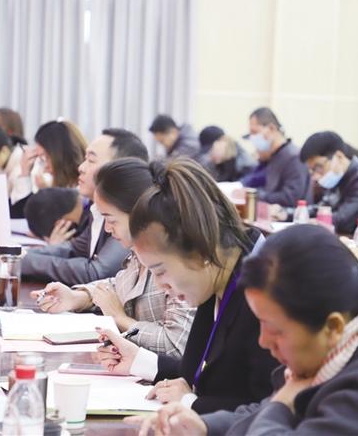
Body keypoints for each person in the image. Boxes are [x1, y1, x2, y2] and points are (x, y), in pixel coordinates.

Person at [126, 225, 358, 436]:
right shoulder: (340, 354)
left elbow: (277, 413)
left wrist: (282, 401)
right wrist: (203, 425)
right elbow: (264, 412)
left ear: (332, 326)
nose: (263, 341)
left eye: (274, 328)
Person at [96, 158, 278, 414]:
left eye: (161, 271)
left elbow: (269, 408)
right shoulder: (214, 277)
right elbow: (201, 374)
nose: (161, 284)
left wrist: (191, 403)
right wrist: (139, 361)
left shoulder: (262, 297)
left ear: (199, 250)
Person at [29, 158, 196, 357]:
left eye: (111, 220)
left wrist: (120, 319)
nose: (107, 229)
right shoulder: (139, 253)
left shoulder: (178, 260)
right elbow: (117, 286)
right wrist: (76, 298)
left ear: (138, 213)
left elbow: (177, 345)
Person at [21, 128, 147, 285]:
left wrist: (25, 262)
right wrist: (18, 254)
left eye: (91, 161)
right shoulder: (97, 210)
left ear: (121, 169)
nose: (81, 167)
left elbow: (97, 272)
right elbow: (73, 249)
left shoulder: (132, 213)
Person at [292, 131, 358, 233]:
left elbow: (343, 219)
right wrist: (289, 213)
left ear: (339, 156)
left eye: (318, 167)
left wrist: (313, 223)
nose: (315, 176)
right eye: (311, 170)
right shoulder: (337, 176)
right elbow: (322, 209)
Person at [240, 107, 310, 208]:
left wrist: (255, 195)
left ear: (271, 128)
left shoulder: (294, 158)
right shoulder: (272, 157)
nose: (252, 138)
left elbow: (291, 197)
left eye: (255, 132)